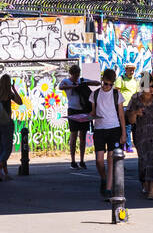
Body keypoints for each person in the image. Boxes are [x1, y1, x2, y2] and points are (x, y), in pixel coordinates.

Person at [90, 67, 125, 199]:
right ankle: (103, 178)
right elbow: (93, 112)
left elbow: (121, 115)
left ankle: (109, 189)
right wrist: (85, 117)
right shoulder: (95, 94)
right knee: (99, 160)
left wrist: (123, 133)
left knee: (111, 159)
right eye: (106, 83)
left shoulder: (117, 95)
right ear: (102, 80)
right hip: (99, 129)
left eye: (111, 84)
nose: (107, 86)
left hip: (114, 128)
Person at [58, 64, 99, 169]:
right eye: (75, 75)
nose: (76, 77)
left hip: (84, 110)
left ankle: (81, 160)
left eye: (78, 75)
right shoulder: (67, 81)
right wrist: (73, 86)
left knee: (83, 136)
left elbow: (97, 83)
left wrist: (85, 83)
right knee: (73, 135)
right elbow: (60, 87)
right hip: (73, 110)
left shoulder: (81, 80)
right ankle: (73, 160)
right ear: (71, 74)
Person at [0, 73, 23, 181]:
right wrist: (14, 89)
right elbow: (20, 102)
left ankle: (5, 173)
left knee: (0, 149)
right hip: (7, 123)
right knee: (7, 149)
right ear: (8, 83)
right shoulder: (8, 94)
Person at [116, 63, 140, 152]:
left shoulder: (136, 80)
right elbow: (117, 92)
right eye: (130, 69)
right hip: (124, 106)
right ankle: (127, 145)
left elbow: (138, 94)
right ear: (126, 69)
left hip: (134, 106)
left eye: (133, 70)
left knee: (134, 127)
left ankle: (134, 145)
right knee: (126, 127)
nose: (132, 71)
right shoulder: (121, 79)